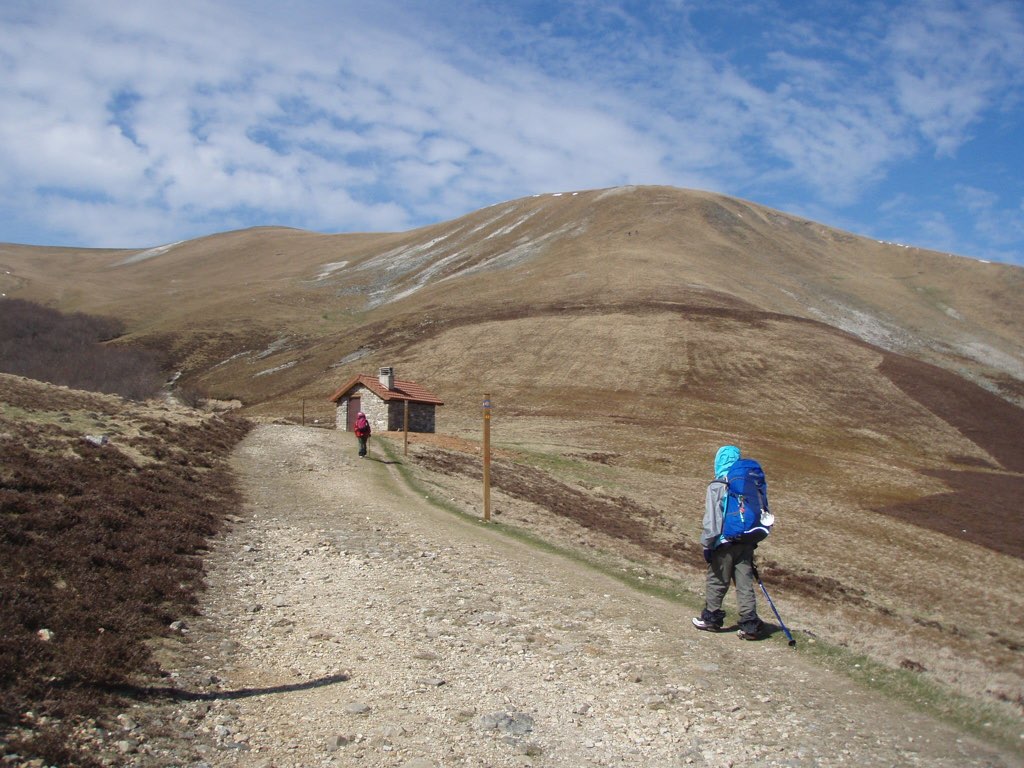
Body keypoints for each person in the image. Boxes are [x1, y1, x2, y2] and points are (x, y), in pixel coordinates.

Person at [692, 445, 766, 640]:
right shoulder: (747, 483)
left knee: (717, 580)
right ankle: (750, 625)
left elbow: (713, 521)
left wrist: (708, 544)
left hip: (724, 543)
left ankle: (712, 619)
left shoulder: (717, 485)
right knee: (744, 583)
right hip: (746, 541)